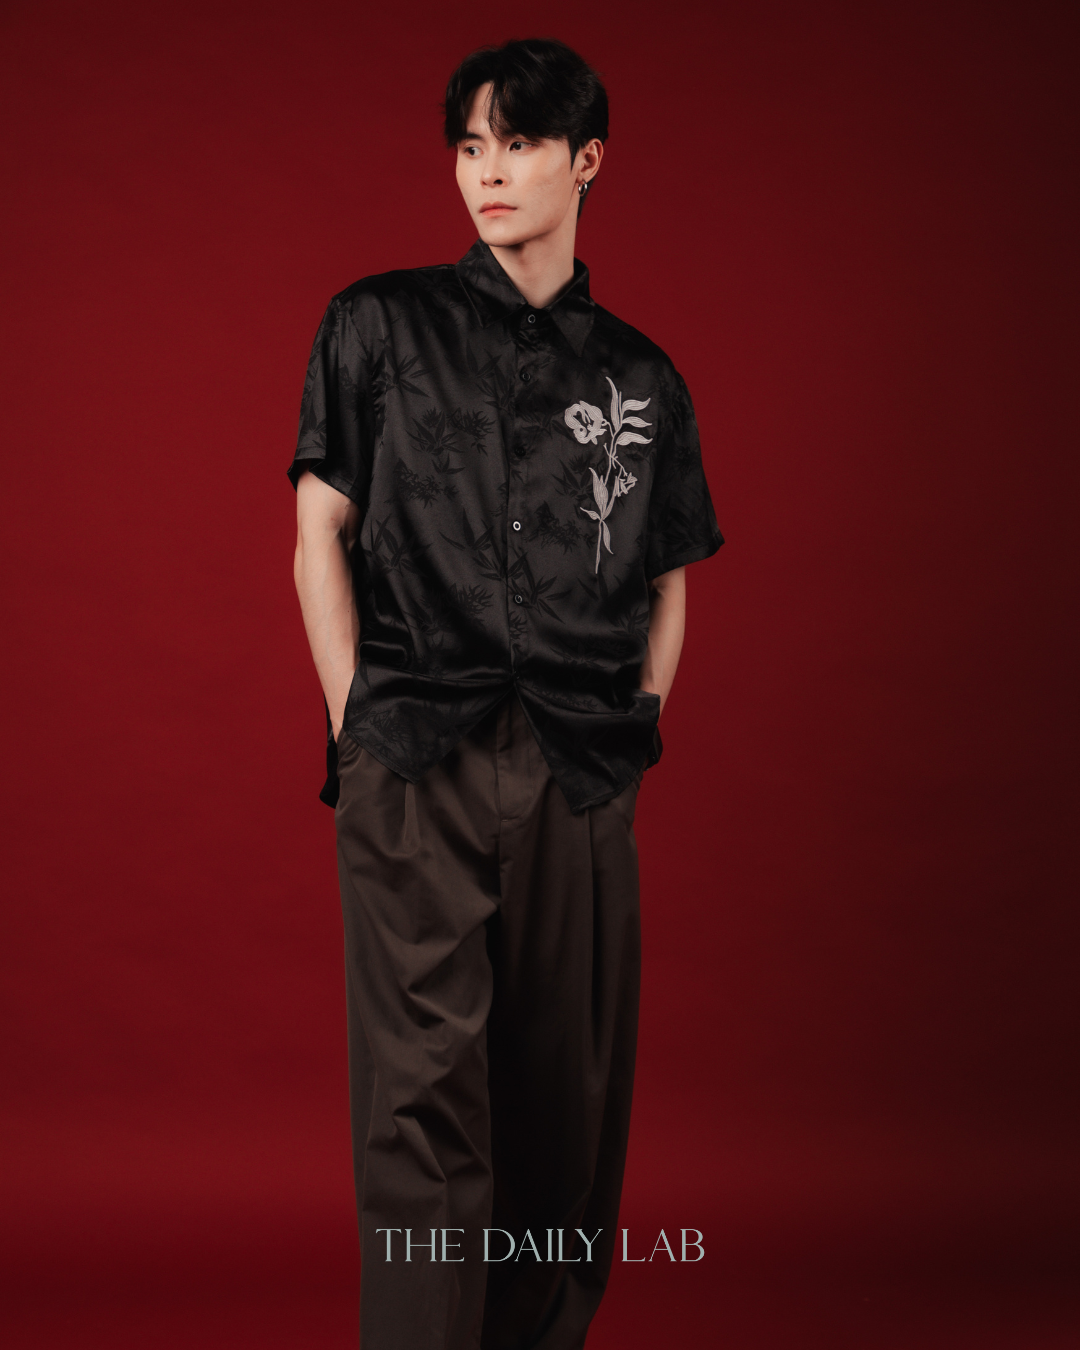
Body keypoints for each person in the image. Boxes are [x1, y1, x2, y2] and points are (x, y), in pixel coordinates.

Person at [289, 36, 722, 1350]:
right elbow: (318, 531)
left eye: (519, 143)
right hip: (416, 755)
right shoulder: (377, 325)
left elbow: (668, 581)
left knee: (564, 1117)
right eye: (470, 145)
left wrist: (633, 731)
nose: (487, 171)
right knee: (421, 1108)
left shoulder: (642, 379)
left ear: (587, 161)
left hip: (579, 777)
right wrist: (356, 724)